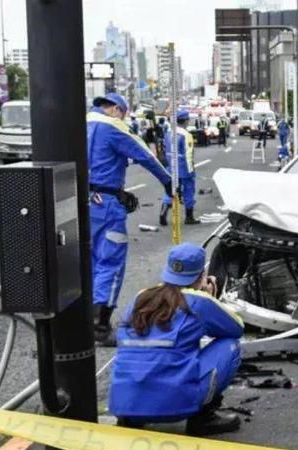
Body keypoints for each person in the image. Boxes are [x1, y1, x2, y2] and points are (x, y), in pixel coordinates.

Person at [110, 243, 243, 435]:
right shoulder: (198, 302)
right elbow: (236, 328)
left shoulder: (141, 297)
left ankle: (130, 418)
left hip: (124, 402)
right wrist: (210, 298)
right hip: (175, 407)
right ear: (201, 276)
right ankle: (203, 417)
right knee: (230, 346)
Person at [87, 93, 172, 346]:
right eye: (123, 113)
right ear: (115, 109)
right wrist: (168, 182)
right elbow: (146, 155)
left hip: (84, 200)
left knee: (90, 261)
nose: (123, 118)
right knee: (111, 261)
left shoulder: (80, 124)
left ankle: (86, 321)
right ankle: (100, 326)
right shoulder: (114, 127)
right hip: (107, 205)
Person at [160, 109, 200, 226]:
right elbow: (188, 155)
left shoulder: (168, 132)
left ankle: (163, 211)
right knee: (188, 191)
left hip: (170, 168)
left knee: (171, 191)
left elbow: (164, 150)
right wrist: (191, 171)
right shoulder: (186, 135)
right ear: (186, 121)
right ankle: (189, 217)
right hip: (183, 168)